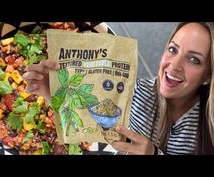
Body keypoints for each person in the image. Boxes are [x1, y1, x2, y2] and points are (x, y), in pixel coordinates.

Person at [23, 22, 214, 155]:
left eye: (193, 59)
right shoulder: (135, 94)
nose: (174, 66)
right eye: (173, 49)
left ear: (207, 75)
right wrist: (54, 92)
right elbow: (89, 130)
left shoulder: (209, 125)